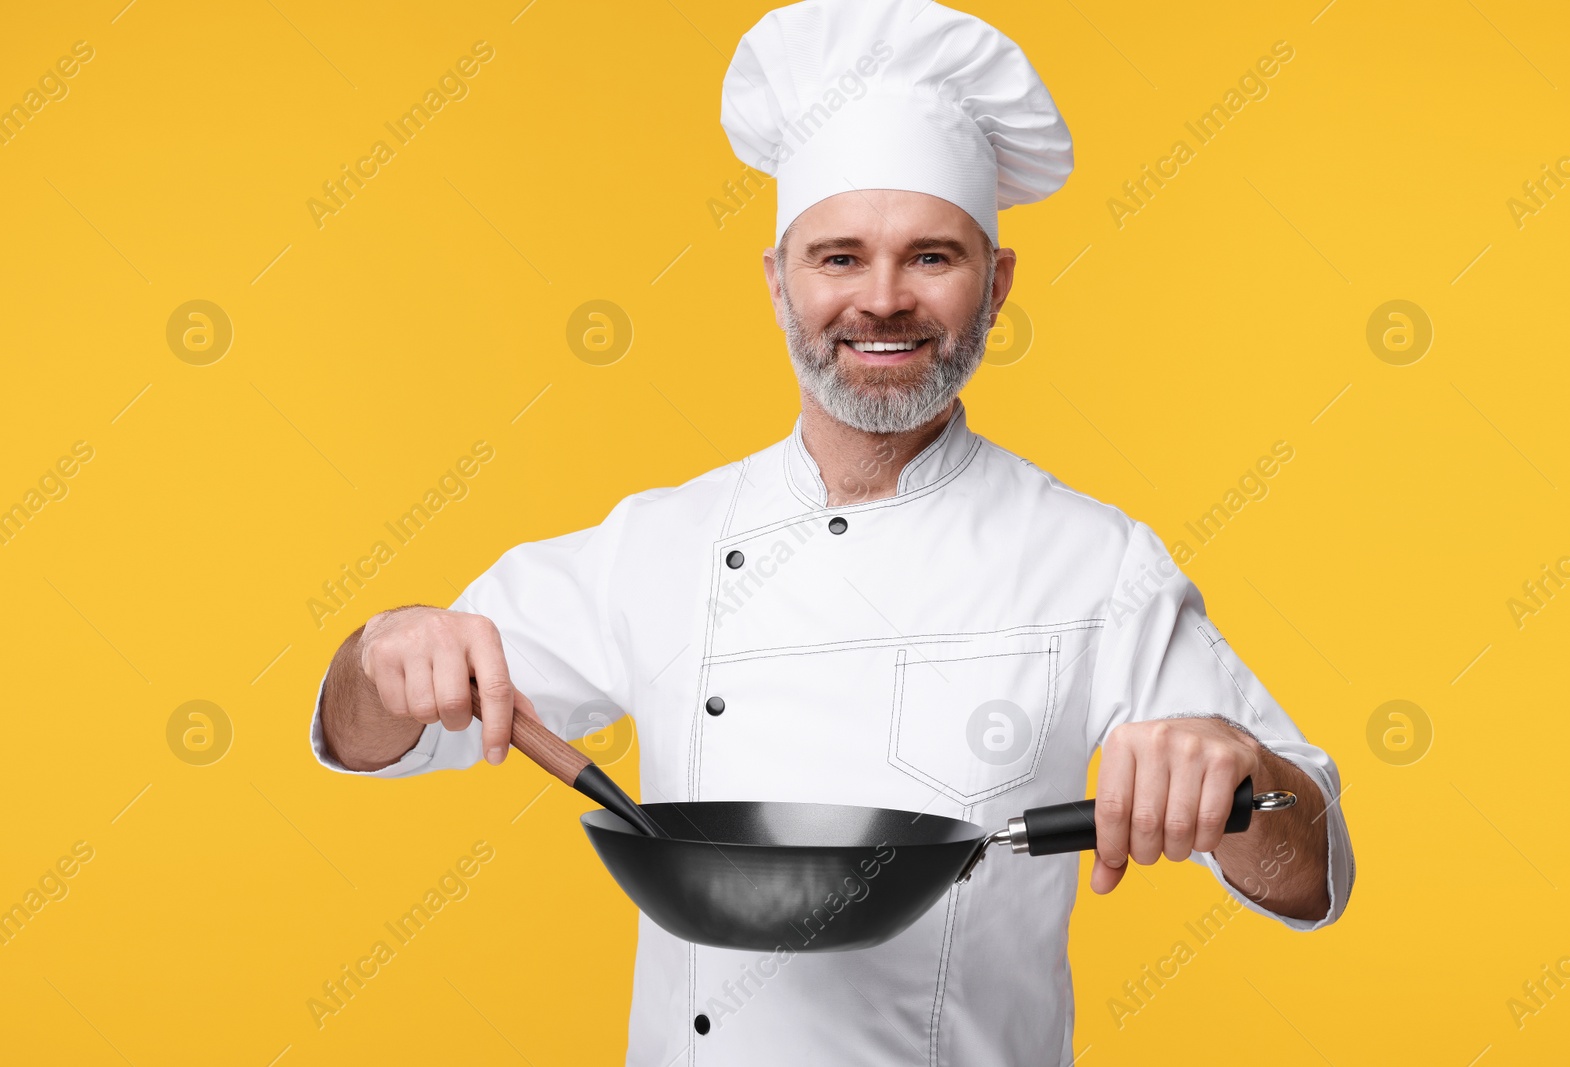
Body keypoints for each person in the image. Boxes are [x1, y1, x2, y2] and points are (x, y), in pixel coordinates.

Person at [309, 1, 1355, 1062]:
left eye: (931, 257)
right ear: (778, 283)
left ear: (995, 287)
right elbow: (365, 737)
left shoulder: (1095, 561)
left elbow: (1312, 871)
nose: (883, 301)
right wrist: (386, 646)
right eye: (839, 258)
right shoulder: (657, 543)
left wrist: (1238, 771)